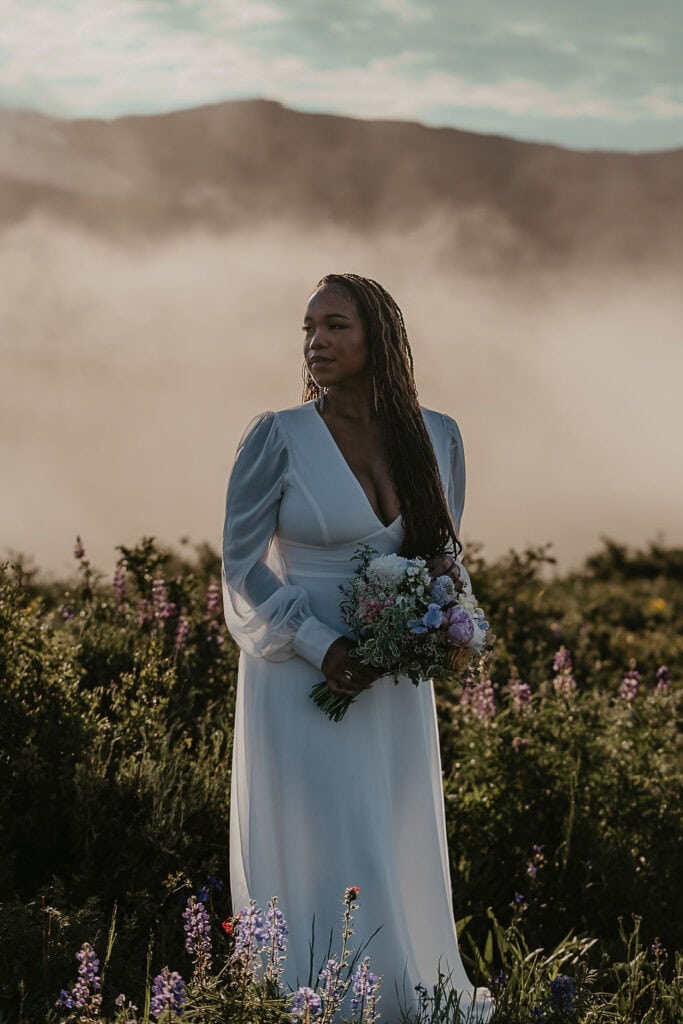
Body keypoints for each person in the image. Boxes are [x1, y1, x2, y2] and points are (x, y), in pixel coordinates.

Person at [221, 273, 493, 1023]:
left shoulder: (436, 435)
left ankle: (404, 992)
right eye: (307, 327)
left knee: (388, 820)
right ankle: (322, 1000)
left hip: (393, 678)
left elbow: (444, 555)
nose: (315, 342)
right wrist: (319, 643)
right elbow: (239, 568)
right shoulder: (275, 436)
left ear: (378, 337)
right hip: (299, 673)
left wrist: (444, 626)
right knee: (324, 829)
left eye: (335, 325)